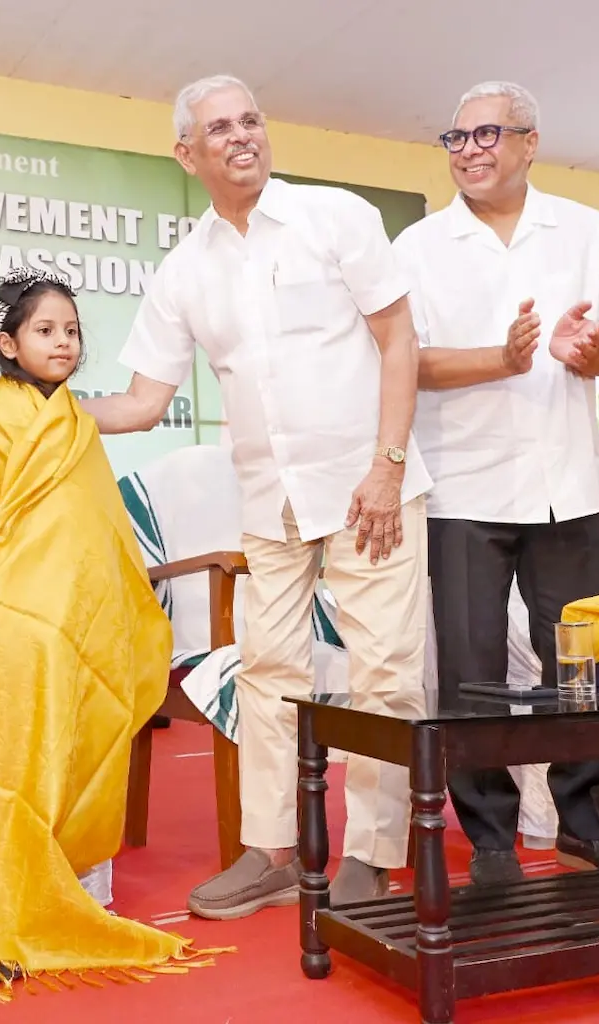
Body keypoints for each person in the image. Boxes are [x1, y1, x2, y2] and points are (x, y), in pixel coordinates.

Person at [83, 74, 430, 919]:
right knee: (270, 671)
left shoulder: (335, 216)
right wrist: (38, 409)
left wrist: (388, 466)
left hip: (369, 489)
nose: (241, 136)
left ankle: (373, 854)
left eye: (250, 120)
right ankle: (273, 852)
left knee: (385, 673)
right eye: (220, 127)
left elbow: (399, 340)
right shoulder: (185, 269)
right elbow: (144, 401)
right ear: (186, 153)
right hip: (271, 500)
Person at [0, 267, 209, 993]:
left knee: (84, 744)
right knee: (13, 758)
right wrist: (15, 608)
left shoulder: (76, 419)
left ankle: (76, 892)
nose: (63, 343)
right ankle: (3, 907)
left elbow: (92, 520)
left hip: (81, 619)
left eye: (72, 331)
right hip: (16, 621)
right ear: (7, 343)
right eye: (46, 330)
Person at [392, 80, 599, 884]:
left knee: (580, 666)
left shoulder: (585, 228)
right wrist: (502, 359)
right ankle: (492, 840)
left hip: (566, 481)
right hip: (463, 486)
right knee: (471, 675)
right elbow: (407, 363)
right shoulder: (418, 246)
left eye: (487, 134)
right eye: (457, 137)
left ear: (530, 142)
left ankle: (582, 822)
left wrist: (586, 351)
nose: (469, 150)